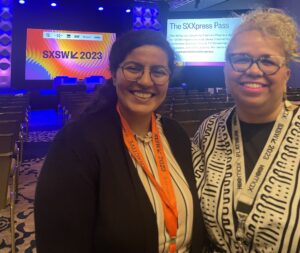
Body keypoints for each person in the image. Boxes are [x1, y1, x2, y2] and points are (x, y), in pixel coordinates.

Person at [34, 29, 206, 253]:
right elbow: (60, 242)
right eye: (133, 68)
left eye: (158, 71)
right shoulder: (76, 143)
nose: (145, 81)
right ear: (114, 74)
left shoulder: (175, 134)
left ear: (168, 79)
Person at [192, 8, 300, 252]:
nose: (253, 70)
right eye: (241, 58)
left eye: (267, 61)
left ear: (286, 75)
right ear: (225, 70)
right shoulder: (208, 131)